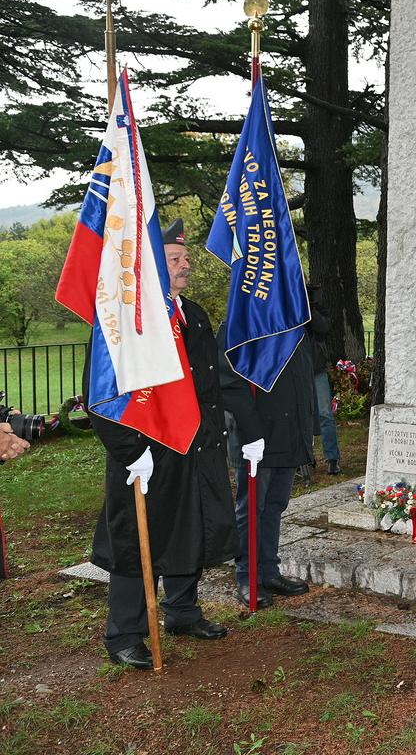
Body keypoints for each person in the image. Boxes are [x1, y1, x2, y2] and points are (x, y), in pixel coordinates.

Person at [86, 218, 237, 669]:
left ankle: (183, 612)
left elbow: (208, 386)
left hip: (195, 447)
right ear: (153, 265)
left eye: (186, 258)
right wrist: (131, 453)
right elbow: (103, 397)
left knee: (192, 529)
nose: (185, 265)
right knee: (137, 543)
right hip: (146, 453)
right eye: (175, 259)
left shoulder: (192, 312)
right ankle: (125, 634)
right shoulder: (126, 323)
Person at [219, 312, 315, 607]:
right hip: (257, 434)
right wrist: (251, 432)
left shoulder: (292, 322)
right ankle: (246, 577)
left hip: (288, 433)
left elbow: (301, 380)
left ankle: (268, 571)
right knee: (251, 508)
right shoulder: (239, 321)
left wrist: (304, 429)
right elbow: (230, 382)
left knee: (274, 506)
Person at [306, 283, 342, 474]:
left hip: (316, 365)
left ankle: (332, 458)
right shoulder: (284, 297)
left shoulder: (316, 297)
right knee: (301, 415)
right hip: (296, 367)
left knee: (324, 414)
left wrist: (309, 305)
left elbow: (323, 327)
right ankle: (305, 458)